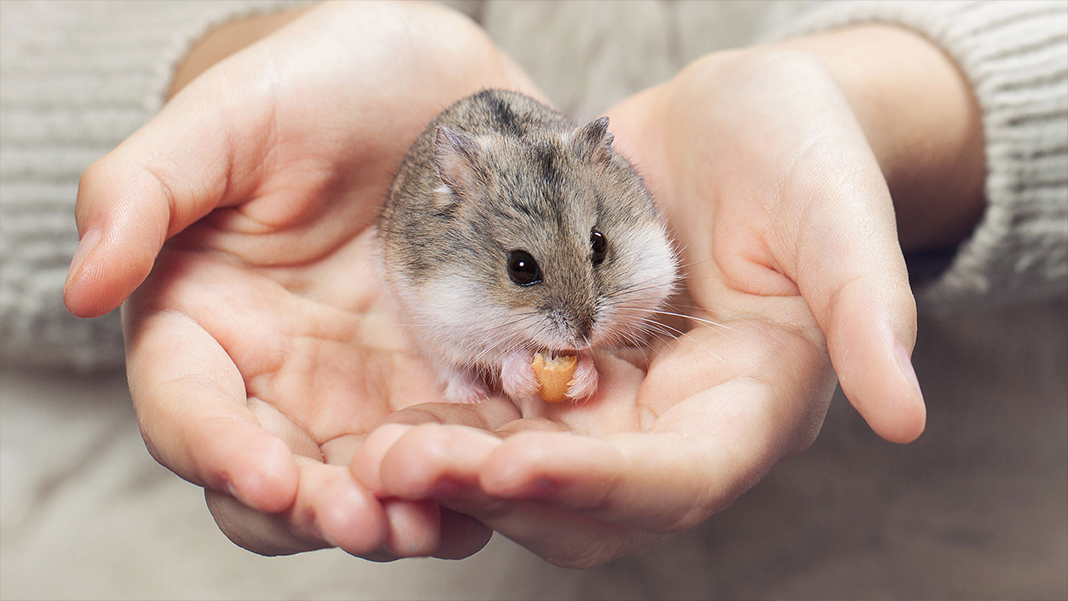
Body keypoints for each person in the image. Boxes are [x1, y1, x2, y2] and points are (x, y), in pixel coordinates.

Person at [13, 0, 1064, 568]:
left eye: (596, 265)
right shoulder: (435, 235)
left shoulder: (618, 206)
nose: (582, 316)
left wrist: (896, 121)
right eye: (527, 275)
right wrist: (235, 54)